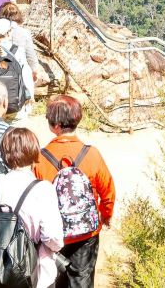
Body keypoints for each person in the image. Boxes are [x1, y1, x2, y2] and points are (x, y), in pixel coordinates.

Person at [34, 95, 116, 288]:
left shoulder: (40, 158)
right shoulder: (92, 154)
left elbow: (35, 198)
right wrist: (105, 215)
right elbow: (108, 191)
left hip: (54, 235)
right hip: (86, 232)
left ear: (54, 125)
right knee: (82, 279)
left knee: (53, 280)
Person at [0, 127, 64, 288]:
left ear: (4, 153)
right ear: (34, 151)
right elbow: (53, 237)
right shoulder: (43, 188)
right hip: (37, 275)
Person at [0, 18, 35, 122]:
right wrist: (30, 97)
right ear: (9, 33)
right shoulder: (18, 51)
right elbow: (26, 75)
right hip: (16, 105)